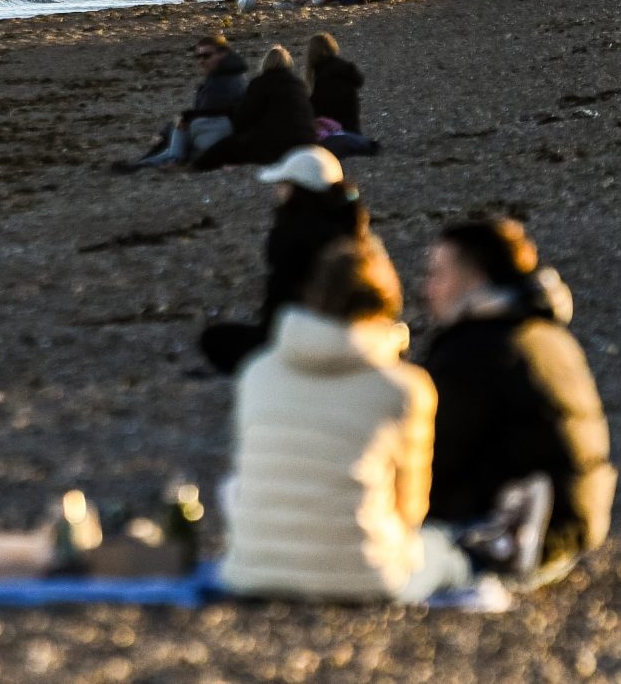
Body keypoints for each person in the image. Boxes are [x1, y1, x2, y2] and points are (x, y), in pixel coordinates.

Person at [221, 234, 491, 602]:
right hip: (366, 576)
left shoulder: (257, 372)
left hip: (250, 573)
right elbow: (411, 509)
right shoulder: (404, 388)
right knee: (445, 555)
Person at [417, 218, 615, 586]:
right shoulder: (547, 335)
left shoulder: (476, 348)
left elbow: (433, 459)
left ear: (474, 278)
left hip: (520, 539)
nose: (428, 288)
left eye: (437, 274)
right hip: (573, 528)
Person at [198, 146, 366, 374]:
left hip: (300, 339)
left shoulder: (291, 237)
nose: (278, 191)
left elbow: (281, 307)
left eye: (283, 185)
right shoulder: (354, 229)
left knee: (214, 340)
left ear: (297, 190)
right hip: (359, 338)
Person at [126, 33, 250, 168]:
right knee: (179, 125)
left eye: (206, 56)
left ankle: (168, 159)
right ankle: (154, 159)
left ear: (222, 54)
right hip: (224, 133)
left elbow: (204, 113)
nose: (201, 61)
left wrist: (169, 130)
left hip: (220, 133)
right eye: (198, 57)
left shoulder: (222, 82)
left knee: (180, 126)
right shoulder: (230, 74)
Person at [194, 46, 321, 171]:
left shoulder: (260, 83)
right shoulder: (300, 85)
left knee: (226, 147)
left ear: (265, 64)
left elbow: (243, 119)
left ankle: (195, 166)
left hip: (275, 144)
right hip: (306, 142)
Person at [304, 32, 365, 136]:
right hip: (353, 130)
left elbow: (317, 109)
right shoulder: (345, 69)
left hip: (334, 133)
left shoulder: (322, 77)